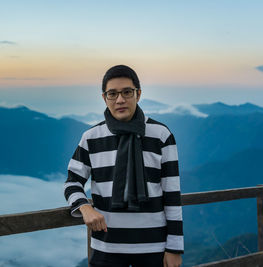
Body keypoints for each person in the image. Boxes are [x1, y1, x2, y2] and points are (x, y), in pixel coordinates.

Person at [63, 65, 183, 267]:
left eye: (127, 92)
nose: (120, 100)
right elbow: (72, 182)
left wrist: (174, 248)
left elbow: (172, 195)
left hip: (154, 248)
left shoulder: (161, 135)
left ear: (138, 94)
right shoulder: (92, 138)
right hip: (106, 247)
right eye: (112, 94)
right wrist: (85, 208)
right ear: (104, 98)